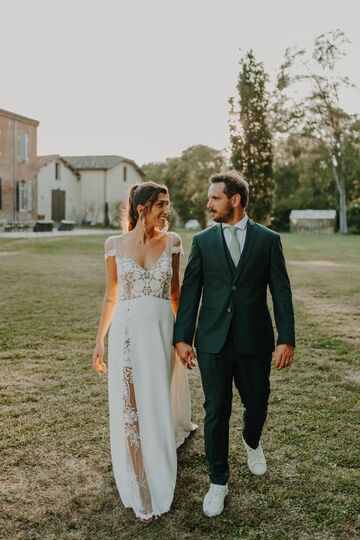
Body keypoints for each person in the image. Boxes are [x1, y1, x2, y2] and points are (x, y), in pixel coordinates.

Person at [174, 170, 295, 518]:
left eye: (215, 197)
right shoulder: (203, 241)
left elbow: (281, 290)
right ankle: (218, 481)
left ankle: (252, 441)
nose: (208, 203)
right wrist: (182, 337)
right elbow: (192, 290)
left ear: (234, 200)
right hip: (212, 341)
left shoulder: (268, 240)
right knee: (216, 411)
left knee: (257, 403)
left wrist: (286, 337)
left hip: (255, 340)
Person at [93, 182, 196, 522]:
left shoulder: (174, 242)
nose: (168, 210)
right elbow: (111, 296)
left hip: (161, 332)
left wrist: (184, 339)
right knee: (130, 407)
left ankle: (160, 466)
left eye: (168, 204)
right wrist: (100, 339)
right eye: (161, 205)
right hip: (125, 332)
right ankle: (140, 482)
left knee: (156, 401)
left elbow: (176, 295)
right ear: (142, 208)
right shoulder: (113, 246)